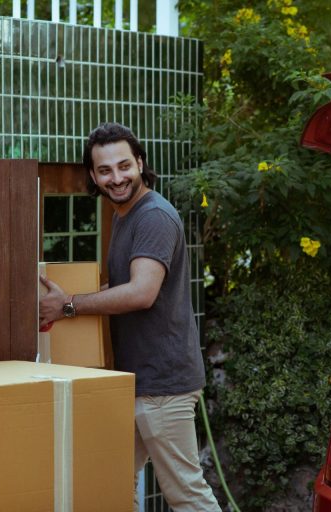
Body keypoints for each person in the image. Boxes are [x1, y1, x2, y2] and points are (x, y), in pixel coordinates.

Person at [39, 122, 221, 512]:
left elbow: (141, 293)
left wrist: (70, 304)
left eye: (124, 166)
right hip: (137, 382)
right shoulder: (125, 215)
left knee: (187, 495)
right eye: (105, 170)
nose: (116, 178)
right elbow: (122, 287)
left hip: (163, 386)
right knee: (114, 484)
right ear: (93, 175)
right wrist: (65, 304)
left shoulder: (153, 217)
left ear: (140, 162)